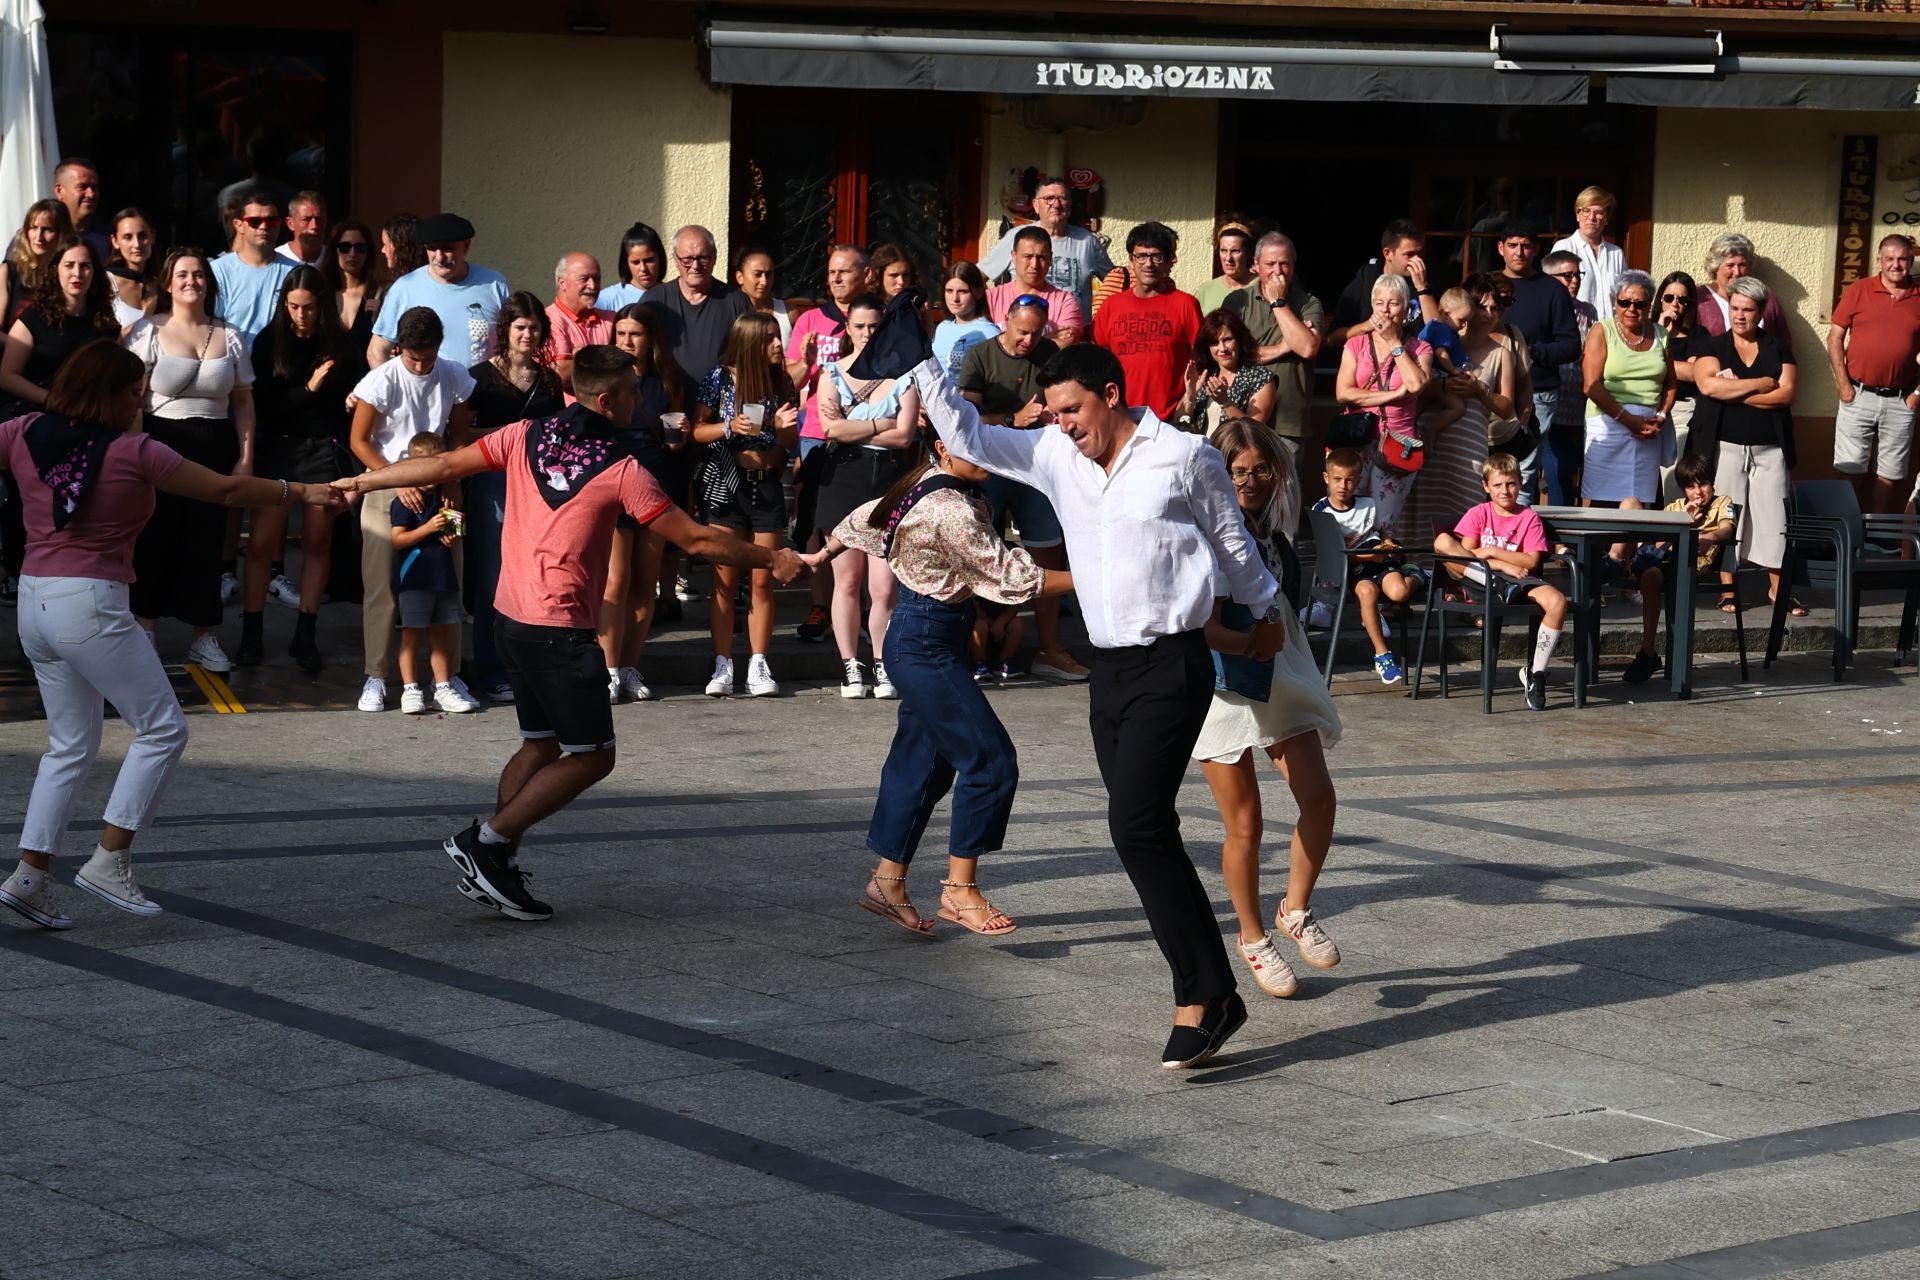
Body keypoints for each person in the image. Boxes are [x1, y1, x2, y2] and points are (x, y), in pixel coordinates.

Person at [328, 345, 808, 921]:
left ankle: (497, 861)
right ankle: (486, 841)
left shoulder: (524, 434)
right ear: (606, 400)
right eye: (631, 392)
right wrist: (773, 559)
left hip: (510, 617)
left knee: (541, 744)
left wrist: (364, 480)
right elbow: (698, 540)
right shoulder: (622, 469)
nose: (639, 401)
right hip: (558, 629)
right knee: (594, 756)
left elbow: (445, 466)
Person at [917, 344, 1281, 1069]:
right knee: (1146, 832)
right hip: (1107, 670)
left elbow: (1231, 541)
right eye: (1054, 412)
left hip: (1174, 661)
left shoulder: (1183, 456)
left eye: (1073, 409)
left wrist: (1268, 614)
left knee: (1135, 823)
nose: (1063, 424)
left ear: (1111, 395)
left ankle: (1199, 998)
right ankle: (1216, 993)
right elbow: (968, 437)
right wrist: (923, 366)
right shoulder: (1055, 454)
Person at [0, 342, 346, 930]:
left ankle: (30, 877)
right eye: (134, 396)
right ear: (109, 396)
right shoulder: (133, 451)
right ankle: (110, 859)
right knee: (163, 728)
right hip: (90, 603)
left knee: (70, 745)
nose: (139, 406)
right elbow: (225, 490)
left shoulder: (23, 431)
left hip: (35, 600)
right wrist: (305, 491)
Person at [808, 423, 1073, 937]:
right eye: (974, 448)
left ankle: (887, 881)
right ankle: (960, 890)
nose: (987, 457)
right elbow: (1014, 579)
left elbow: (863, 518)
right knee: (989, 760)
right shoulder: (951, 507)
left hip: (925, 636)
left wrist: (821, 555)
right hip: (925, 642)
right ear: (942, 447)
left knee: (922, 763)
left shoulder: (926, 483)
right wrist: (1098, 578)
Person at [1194, 419, 1341, 998]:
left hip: (1278, 670)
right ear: (1218, 474)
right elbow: (1200, 628)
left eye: (1261, 470)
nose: (1250, 481)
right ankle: (1252, 937)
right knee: (1245, 826)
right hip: (1221, 681)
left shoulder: (1272, 533)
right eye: (1238, 472)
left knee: (1320, 798)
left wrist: (1268, 644)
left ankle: (1294, 910)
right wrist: (1249, 643)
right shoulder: (1203, 536)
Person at [121, 248, 256, 673]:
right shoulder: (147, 330)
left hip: (214, 447)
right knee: (155, 536)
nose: (191, 281)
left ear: (208, 283)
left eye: (198, 274)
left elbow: (243, 402)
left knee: (207, 542)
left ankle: (204, 635)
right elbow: (133, 399)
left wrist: (245, 459)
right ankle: (145, 629)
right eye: (182, 274)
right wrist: (132, 451)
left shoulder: (230, 335)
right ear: (168, 281)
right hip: (160, 442)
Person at [348, 306, 476, 711]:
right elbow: (359, 441)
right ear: (398, 348)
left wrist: (452, 480)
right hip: (386, 485)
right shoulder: (381, 380)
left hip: (440, 485)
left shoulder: (453, 374)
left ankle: (447, 677)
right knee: (382, 586)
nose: (421, 366)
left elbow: (459, 435)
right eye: (413, 358)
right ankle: (376, 675)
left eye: (428, 357)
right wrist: (396, 479)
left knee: (450, 581)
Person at [239, 265, 364, 672]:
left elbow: (354, 398)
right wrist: (308, 389)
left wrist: (350, 402)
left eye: (308, 307)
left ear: (322, 306)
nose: (301, 315)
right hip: (278, 448)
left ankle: (305, 633)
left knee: (317, 542)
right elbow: (265, 406)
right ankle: (251, 631)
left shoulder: (340, 346)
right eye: (293, 306)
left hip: (321, 449)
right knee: (261, 543)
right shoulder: (269, 341)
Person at [958, 299, 1083, 683]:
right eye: (1022, 332)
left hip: (1037, 466)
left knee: (1047, 552)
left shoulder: (1050, 353)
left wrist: (1051, 417)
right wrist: (1013, 419)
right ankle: (968, 645)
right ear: (1005, 321)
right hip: (991, 467)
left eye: (1037, 332)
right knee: (977, 550)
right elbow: (967, 420)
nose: (1029, 340)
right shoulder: (980, 355)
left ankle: (1050, 649)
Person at [692, 311, 800, 698]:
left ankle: (758, 663)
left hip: (766, 487)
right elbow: (696, 430)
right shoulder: (720, 378)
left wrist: (785, 434)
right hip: (727, 486)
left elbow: (791, 446)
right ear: (751, 341)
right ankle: (723, 663)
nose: (778, 344)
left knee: (763, 579)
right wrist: (728, 427)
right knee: (724, 580)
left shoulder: (781, 381)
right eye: (769, 338)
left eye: (778, 336)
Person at [815, 295, 918, 699]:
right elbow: (831, 430)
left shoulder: (903, 373)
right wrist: (881, 423)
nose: (867, 333)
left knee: (884, 586)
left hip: (889, 481)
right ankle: (850, 666)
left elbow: (905, 435)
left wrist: (854, 426)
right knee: (847, 580)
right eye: (859, 326)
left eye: (874, 326)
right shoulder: (832, 372)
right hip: (843, 477)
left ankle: (881, 662)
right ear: (848, 328)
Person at [464, 294, 564, 703]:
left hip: (536, 485)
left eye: (534, 327)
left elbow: (557, 434)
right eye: (520, 326)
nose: (528, 334)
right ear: (506, 330)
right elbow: (460, 436)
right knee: (492, 575)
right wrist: (510, 435)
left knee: (533, 574)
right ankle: (490, 670)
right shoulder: (478, 377)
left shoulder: (550, 380)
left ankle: (528, 666)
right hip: (491, 482)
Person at [1688, 276, 1801, 616]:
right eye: (1735, 308)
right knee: (1728, 516)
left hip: (1770, 449)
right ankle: (1728, 591)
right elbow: (1709, 387)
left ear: (1761, 311)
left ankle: (1779, 590)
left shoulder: (1777, 346)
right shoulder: (1713, 346)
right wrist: (1761, 386)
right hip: (1726, 446)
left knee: (1775, 519)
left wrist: (1737, 391)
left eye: (1747, 309)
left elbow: (1787, 394)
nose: (1739, 315)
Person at [1432, 454, 1569, 712]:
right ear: (1486, 486)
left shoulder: (1528, 517)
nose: (1505, 491)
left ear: (1521, 483)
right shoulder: (1479, 513)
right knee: (1442, 542)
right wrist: (1502, 565)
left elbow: (1530, 560)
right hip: (1481, 578)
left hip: (1518, 578)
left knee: (1557, 601)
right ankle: (1500, 586)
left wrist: (1493, 552)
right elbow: (1466, 555)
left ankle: (1536, 674)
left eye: (1510, 484)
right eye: (1497, 485)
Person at [600, 302, 684, 702]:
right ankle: (608, 669)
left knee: (645, 584)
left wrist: (680, 434)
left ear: (650, 339)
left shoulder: (666, 381)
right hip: (614, 488)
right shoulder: (605, 382)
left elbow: (675, 442)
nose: (627, 341)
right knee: (615, 582)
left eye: (635, 334)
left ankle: (630, 666)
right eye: (620, 334)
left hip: (655, 486)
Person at [787, 245, 870, 641]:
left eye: (844, 271)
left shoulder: (873, 318)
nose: (835, 278)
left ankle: (864, 609)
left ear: (865, 275)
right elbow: (792, 381)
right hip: (816, 435)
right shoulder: (810, 320)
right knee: (817, 523)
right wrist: (805, 362)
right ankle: (821, 606)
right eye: (832, 271)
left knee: (865, 522)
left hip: (867, 434)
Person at [1403, 280, 1517, 542]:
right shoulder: (1442, 338)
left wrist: (1480, 389)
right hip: (1430, 445)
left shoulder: (1501, 354)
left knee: (1465, 524)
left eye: (1495, 308)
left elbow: (1506, 408)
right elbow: (1415, 386)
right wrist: (1443, 385)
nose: (1489, 314)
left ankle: (1457, 568)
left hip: (1468, 453)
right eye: (1482, 307)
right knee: (1419, 519)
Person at [1582, 269, 1677, 574]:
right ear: (1615, 302)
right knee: (1602, 499)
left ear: (1650, 305)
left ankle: (1622, 570)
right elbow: (1591, 385)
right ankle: (1592, 570)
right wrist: (1627, 419)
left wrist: (1661, 415)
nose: (1632, 309)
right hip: (1608, 423)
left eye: (1640, 304)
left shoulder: (1660, 334)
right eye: (1625, 302)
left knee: (1638, 503)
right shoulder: (1602, 330)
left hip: (1647, 429)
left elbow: (1671, 382)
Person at [1624, 453, 1736, 686]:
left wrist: (1710, 537)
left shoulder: (1722, 502)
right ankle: (1648, 650)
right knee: (1649, 576)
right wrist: (1683, 520)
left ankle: (1648, 653)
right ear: (1683, 489)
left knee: (1651, 577)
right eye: (1691, 487)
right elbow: (1658, 544)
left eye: (1703, 484)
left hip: (1692, 566)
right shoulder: (1675, 507)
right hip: (1666, 562)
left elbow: (1728, 528)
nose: (1698, 492)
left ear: (1712, 483)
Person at [1221, 232, 1324, 485]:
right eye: (1270, 264)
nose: (1278, 271)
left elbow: (1308, 348)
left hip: (1289, 422)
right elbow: (1231, 355)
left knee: (1284, 495)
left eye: (1284, 264)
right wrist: (1284, 347)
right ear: (1256, 265)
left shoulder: (1309, 303)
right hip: (1243, 416)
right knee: (1239, 491)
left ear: (1294, 266)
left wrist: (1279, 303)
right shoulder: (1237, 301)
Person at [1827, 233, 1920, 513]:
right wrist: (1843, 385)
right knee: (1850, 470)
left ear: (1911, 260)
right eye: (1889, 258)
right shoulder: (1859, 290)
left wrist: (1917, 394)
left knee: (1890, 474)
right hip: (1858, 394)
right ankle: (1847, 529)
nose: (1896, 264)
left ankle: (1876, 531)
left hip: (1902, 399)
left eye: (1902, 259)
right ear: (1879, 260)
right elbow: (1834, 338)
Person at [1333, 273, 1432, 537]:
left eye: (1393, 303)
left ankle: (1381, 565)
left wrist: (1394, 344)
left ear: (1407, 309)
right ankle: (1348, 566)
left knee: (1384, 524)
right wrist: (1391, 395)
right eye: (1379, 303)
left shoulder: (1420, 348)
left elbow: (1416, 385)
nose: (1385, 310)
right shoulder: (1355, 344)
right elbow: (1343, 393)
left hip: (1398, 445)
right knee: (1347, 520)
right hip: (1358, 440)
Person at [388, 432, 479, 714]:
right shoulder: (405, 501)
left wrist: (454, 534)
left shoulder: (446, 497)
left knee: (441, 636)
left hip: (443, 577)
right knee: (412, 636)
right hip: (415, 579)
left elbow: (454, 536)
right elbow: (398, 539)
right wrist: (428, 528)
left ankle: (442, 687)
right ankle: (410, 689)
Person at [1312, 448, 1417, 684]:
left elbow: (1380, 531)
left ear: (1358, 481)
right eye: (1337, 479)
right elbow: (1332, 554)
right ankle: (1383, 656)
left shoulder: (1368, 504)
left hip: (1379, 560)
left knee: (1399, 592)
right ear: (1326, 478)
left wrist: (1388, 544)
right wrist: (1368, 557)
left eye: (1350, 480)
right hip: (1352, 569)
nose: (1343, 485)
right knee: (1367, 591)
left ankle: (1417, 575)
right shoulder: (1321, 510)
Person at [1496, 219, 1582, 506]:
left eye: (1525, 246)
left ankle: (1517, 532)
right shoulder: (1488, 285)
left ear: (1535, 250)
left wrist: (1530, 353)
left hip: (1537, 392)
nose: (1519, 252)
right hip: (1486, 390)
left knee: (1521, 473)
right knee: (1483, 468)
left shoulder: (1552, 289)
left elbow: (1571, 345)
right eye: (1512, 245)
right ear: (1501, 248)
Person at [1092, 221, 1203, 422]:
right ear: (1131, 261)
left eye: (1156, 256)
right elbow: (1099, 362)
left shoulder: (1186, 305)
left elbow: (1201, 359)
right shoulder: (1110, 307)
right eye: (1141, 256)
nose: (1148, 264)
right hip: (1121, 416)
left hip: (1170, 418)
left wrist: (1186, 403)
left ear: (1168, 261)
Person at [368, 212, 510, 368]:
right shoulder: (405, 288)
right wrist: (392, 383)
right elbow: (377, 350)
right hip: (428, 384)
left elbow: (514, 344)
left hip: (483, 383)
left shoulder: (495, 284)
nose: (440, 257)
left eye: (447, 248)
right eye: (432, 248)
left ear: (466, 246)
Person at [1, 238, 118, 413]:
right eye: (69, 265)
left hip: (87, 413)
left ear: (95, 272)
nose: (77, 273)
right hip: (34, 412)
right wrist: (52, 400)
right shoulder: (34, 317)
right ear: (56, 270)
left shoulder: (104, 321)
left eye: (85, 266)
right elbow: (7, 376)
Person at [977, 176, 1114, 317]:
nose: (1056, 204)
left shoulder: (1088, 241)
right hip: (1025, 329)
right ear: (1036, 205)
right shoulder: (1017, 237)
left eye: (1063, 198)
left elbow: (1117, 283)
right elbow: (976, 277)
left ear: (1070, 205)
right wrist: (984, 317)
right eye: (1049, 198)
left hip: (1073, 328)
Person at [641, 225, 752, 394]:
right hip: (666, 401)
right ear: (675, 259)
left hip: (719, 403)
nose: (695, 265)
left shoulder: (736, 302)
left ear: (714, 257)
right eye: (687, 259)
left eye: (703, 258)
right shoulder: (654, 301)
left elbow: (751, 356)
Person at [209, 189, 296, 351]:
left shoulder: (295, 272)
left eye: (271, 221)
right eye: (255, 222)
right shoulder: (218, 270)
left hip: (280, 362)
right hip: (232, 361)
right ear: (239, 225)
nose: (264, 226)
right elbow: (210, 326)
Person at [1329, 219, 1437, 346]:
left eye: (1419, 253)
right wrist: (1366, 326)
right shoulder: (1364, 283)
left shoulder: (1427, 279)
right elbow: (1332, 338)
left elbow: (1439, 335)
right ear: (1388, 253)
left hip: (1417, 355)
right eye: (1410, 254)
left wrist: (1422, 288)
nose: (1417, 260)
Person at [1543, 248, 1601, 480]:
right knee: (1552, 466)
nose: (1575, 280)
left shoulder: (1588, 311)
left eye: (1578, 275)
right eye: (1568, 276)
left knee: (1572, 469)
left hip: (1578, 399)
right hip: (1550, 396)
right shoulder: (1544, 309)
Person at [1174, 309, 1274, 433]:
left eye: (1227, 339)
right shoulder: (1205, 375)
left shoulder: (1261, 378)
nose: (1222, 348)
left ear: (1239, 340)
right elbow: (1179, 423)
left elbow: (1254, 432)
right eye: (1215, 343)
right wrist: (1190, 398)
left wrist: (1226, 403)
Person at [985, 228, 1083, 343]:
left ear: (1050, 259)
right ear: (1014, 256)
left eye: (1041, 257)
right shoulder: (990, 299)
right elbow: (983, 344)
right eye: (1028, 256)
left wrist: (1006, 341)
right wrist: (1048, 339)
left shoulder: (1065, 302)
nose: (1034, 265)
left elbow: (1065, 342)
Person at [1696, 232, 1793, 346]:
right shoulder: (1700, 298)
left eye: (1742, 265)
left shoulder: (1765, 296)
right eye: (1730, 265)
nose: (1737, 272)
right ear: (1715, 267)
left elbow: (1784, 342)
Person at [1656, 271, 1703, 502]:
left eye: (1682, 299)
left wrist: (1655, 360)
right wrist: (1659, 330)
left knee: (1672, 479)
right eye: (1669, 298)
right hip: (1647, 409)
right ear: (1660, 300)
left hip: (1681, 410)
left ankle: (1672, 523)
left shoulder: (1697, 335)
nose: (1675, 304)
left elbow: (1694, 372)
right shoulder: (1647, 330)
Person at [1549, 186, 1626, 314]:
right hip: (1576, 325)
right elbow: (1551, 295)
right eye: (1586, 211)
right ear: (1577, 215)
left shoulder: (1616, 254)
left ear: (1606, 218)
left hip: (1610, 326)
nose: (1591, 217)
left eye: (1598, 212)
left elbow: (1624, 296)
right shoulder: (1564, 248)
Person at [545, 252, 613, 393]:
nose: (592, 285)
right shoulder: (548, 320)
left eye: (596, 279)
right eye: (584, 279)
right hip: (571, 407)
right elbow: (561, 375)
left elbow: (631, 363)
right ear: (562, 282)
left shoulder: (612, 319)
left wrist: (580, 358)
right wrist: (609, 355)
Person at [1, 200, 72, 328]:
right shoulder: (8, 271)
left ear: (62, 233)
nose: (39, 237)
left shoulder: (70, 275)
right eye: (33, 228)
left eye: (47, 229)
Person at [932, 261, 998, 379]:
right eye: (949, 291)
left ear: (978, 293)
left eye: (962, 291)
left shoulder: (989, 332)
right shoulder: (942, 327)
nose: (955, 298)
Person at [322, 218, 381, 346]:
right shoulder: (322, 294)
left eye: (360, 248)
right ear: (334, 251)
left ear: (368, 252)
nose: (353, 254)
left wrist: (382, 316)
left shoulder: (379, 294)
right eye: (345, 247)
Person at [596, 222, 668, 314]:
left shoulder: (674, 295)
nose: (643, 269)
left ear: (660, 258)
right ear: (626, 263)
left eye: (649, 260)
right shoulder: (608, 299)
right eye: (636, 262)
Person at [105, 208, 158, 329]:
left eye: (143, 236)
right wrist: (146, 317)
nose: (137, 244)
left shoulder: (162, 284)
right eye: (128, 237)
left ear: (153, 237)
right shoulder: (106, 283)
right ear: (115, 241)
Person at [1193, 220, 1255, 317]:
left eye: (1235, 251)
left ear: (1249, 252)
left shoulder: (1263, 287)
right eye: (1224, 250)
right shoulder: (1205, 291)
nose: (1228, 258)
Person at [51, 159, 108, 264]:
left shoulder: (109, 238)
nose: (91, 194)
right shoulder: (40, 237)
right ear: (59, 191)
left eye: (94, 188)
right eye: (82, 187)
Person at [733, 247, 792, 345]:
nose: (764, 281)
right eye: (757, 274)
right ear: (740, 277)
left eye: (768, 275)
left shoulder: (788, 313)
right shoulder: (728, 312)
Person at [277, 192, 328, 268]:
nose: (314, 226)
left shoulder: (334, 258)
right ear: (290, 223)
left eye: (319, 219)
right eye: (306, 220)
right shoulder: (276, 260)